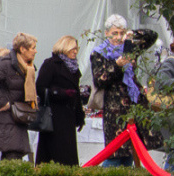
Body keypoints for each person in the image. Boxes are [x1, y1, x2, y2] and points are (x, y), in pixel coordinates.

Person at [90, 15, 142, 167]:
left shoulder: (128, 51)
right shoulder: (99, 53)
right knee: (114, 155)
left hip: (130, 109)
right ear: (107, 33)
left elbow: (150, 37)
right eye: (115, 33)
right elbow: (99, 79)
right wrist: (117, 65)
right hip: (113, 110)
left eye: (122, 33)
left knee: (129, 156)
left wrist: (133, 36)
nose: (118, 37)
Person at [0, 33, 37, 161]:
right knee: (12, 156)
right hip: (6, 118)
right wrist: (3, 102)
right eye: (33, 47)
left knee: (12, 156)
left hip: (18, 117)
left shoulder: (27, 67)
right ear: (23, 49)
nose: (35, 51)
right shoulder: (7, 65)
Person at [37, 35, 85, 165]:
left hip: (68, 116)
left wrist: (80, 116)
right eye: (73, 48)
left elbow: (77, 94)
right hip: (53, 116)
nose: (75, 51)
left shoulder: (74, 69)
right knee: (54, 154)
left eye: (77, 48)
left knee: (68, 155)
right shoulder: (51, 64)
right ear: (64, 47)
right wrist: (60, 93)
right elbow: (40, 87)